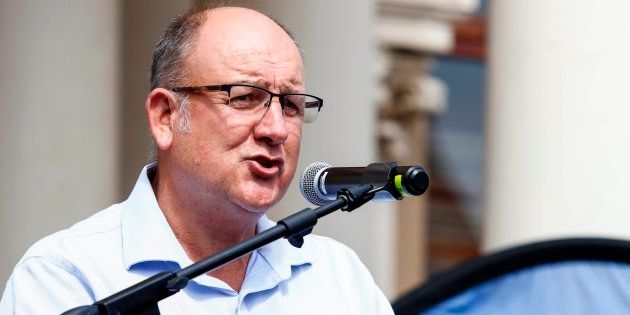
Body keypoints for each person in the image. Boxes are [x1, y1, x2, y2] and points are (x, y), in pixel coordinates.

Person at [0, 6, 393, 314]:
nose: (276, 129)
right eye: (244, 97)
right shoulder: (69, 275)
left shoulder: (340, 278)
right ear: (165, 117)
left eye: (291, 105)